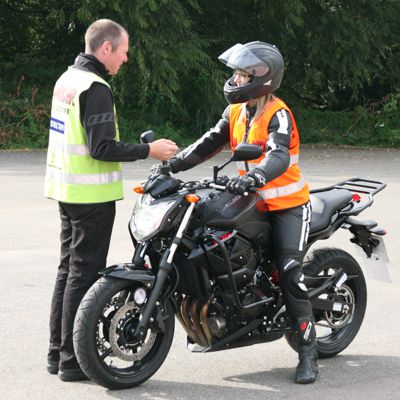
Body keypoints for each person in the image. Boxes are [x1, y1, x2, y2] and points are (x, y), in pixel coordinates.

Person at [166, 41, 317, 384]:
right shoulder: (236, 111)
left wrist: (257, 176)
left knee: (291, 270)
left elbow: (278, 155)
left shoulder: (278, 112)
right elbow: (209, 143)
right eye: (235, 73)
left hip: (286, 205)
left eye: (242, 74)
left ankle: (308, 353)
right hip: (251, 200)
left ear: (262, 78)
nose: (235, 79)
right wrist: (172, 164)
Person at [44, 19, 178, 382]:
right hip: (90, 196)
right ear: (106, 48)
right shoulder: (95, 86)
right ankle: (73, 361)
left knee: (67, 271)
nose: (125, 58)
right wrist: (149, 149)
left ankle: (58, 354)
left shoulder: (67, 80)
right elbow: (102, 147)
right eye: (123, 51)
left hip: (65, 190)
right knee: (84, 275)